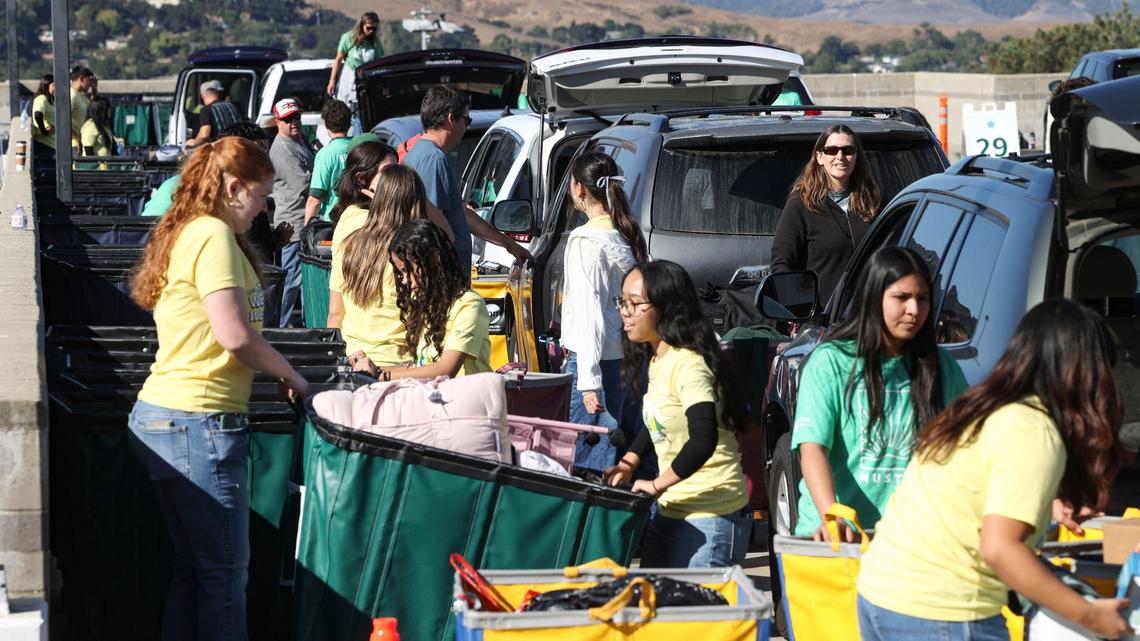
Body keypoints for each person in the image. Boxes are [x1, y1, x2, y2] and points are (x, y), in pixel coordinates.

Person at [857, 299, 1129, 641]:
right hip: (942, 611)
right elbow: (1000, 549)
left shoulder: (980, 408)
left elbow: (968, 495)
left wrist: (1049, 505)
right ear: (1084, 373)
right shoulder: (1033, 429)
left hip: (881, 594)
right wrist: (1092, 616)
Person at [127, 136, 309, 641]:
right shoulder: (211, 236)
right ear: (233, 188)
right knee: (224, 575)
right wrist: (292, 376)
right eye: (261, 196)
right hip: (198, 421)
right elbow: (235, 335)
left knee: (197, 571)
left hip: (169, 416)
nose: (264, 208)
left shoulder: (195, 230)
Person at [792, 246, 967, 541]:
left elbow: (970, 448)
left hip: (910, 542)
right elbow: (812, 448)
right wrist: (831, 515)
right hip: (838, 542)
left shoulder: (941, 366)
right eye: (902, 297)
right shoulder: (830, 362)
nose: (914, 310)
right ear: (874, 298)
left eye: (923, 299)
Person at [603, 260, 752, 568]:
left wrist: (656, 484)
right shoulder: (659, 357)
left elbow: (703, 439)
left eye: (635, 303)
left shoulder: (689, 364)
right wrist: (628, 463)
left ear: (666, 307)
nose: (625, 312)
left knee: (692, 603)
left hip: (711, 516)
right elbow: (658, 422)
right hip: (672, 509)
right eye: (622, 302)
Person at [560, 151, 649, 473]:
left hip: (596, 361)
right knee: (630, 459)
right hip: (630, 358)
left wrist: (588, 381)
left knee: (592, 468)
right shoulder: (625, 233)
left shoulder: (586, 240)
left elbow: (590, 314)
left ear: (578, 188)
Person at [403, 84, 530, 274]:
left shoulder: (422, 154)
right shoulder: (434, 159)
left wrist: (509, 244)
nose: (466, 126)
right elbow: (431, 227)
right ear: (450, 119)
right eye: (466, 120)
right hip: (442, 277)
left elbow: (462, 214)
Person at [349, 218, 491, 380]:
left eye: (408, 270)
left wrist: (382, 375)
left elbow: (446, 370)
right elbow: (420, 368)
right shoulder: (428, 305)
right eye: (401, 273)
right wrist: (368, 368)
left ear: (433, 263)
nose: (404, 280)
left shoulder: (469, 305)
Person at [771, 124, 882, 307]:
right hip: (821, 315)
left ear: (857, 156)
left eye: (847, 150)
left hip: (869, 312)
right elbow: (782, 261)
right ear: (819, 157)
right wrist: (794, 306)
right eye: (831, 150)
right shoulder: (801, 204)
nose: (840, 156)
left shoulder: (874, 201)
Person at [331, 165, 427, 367]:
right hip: (400, 364)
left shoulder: (350, 244)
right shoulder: (415, 252)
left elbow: (335, 313)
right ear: (416, 202)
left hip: (353, 359)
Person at [267, 98, 314, 328]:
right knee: (291, 281)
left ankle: (299, 324)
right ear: (278, 122)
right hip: (293, 224)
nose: (293, 122)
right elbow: (304, 185)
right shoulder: (282, 149)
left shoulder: (296, 141)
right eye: (287, 119)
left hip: (301, 220)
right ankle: (279, 327)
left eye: (296, 117)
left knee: (301, 281)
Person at [327, 138, 396, 228]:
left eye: (397, 169)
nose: (397, 175)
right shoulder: (361, 219)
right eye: (387, 170)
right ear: (361, 178)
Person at [304, 99, 353, 224]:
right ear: (349, 122)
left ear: (326, 124)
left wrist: (307, 230)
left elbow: (314, 200)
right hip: (361, 220)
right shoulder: (361, 147)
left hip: (334, 223)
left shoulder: (325, 154)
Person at [327, 11, 383, 106]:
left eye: (374, 28)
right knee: (346, 104)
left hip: (366, 78)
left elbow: (379, 63)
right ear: (362, 25)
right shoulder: (348, 38)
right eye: (368, 28)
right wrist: (332, 81)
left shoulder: (376, 42)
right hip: (349, 76)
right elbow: (338, 60)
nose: (371, 31)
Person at [186, 80, 243, 149]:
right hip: (238, 146)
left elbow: (204, 135)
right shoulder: (233, 106)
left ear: (203, 95)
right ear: (217, 93)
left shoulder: (206, 110)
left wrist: (194, 143)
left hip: (222, 149)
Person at [69, 66, 94, 149]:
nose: (90, 84)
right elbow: (64, 121)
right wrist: (77, 139)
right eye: (89, 80)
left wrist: (94, 90)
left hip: (79, 143)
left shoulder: (79, 96)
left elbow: (95, 107)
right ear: (82, 79)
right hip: (73, 145)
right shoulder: (71, 96)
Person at [31, 74, 55, 154]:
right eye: (54, 85)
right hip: (44, 144)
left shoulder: (51, 100)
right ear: (46, 85)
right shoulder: (41, 98)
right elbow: (38, 115)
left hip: (52, 144)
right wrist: (44, 131)